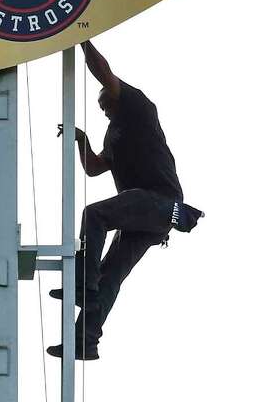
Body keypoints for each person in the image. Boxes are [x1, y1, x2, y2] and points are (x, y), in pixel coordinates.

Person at [48, 40, 202, 361]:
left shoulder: (139, 109)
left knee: (95, 215)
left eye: (106, 102)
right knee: (111, 275)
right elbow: (93, 168)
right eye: (101, 108)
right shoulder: (113, 135)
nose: (103, 108)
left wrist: (81, 40)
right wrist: (82, 139)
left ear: (117, 97)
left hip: (161, 202)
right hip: (148, 219)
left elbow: (104, 73)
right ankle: (85, 340)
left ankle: (83, 284)